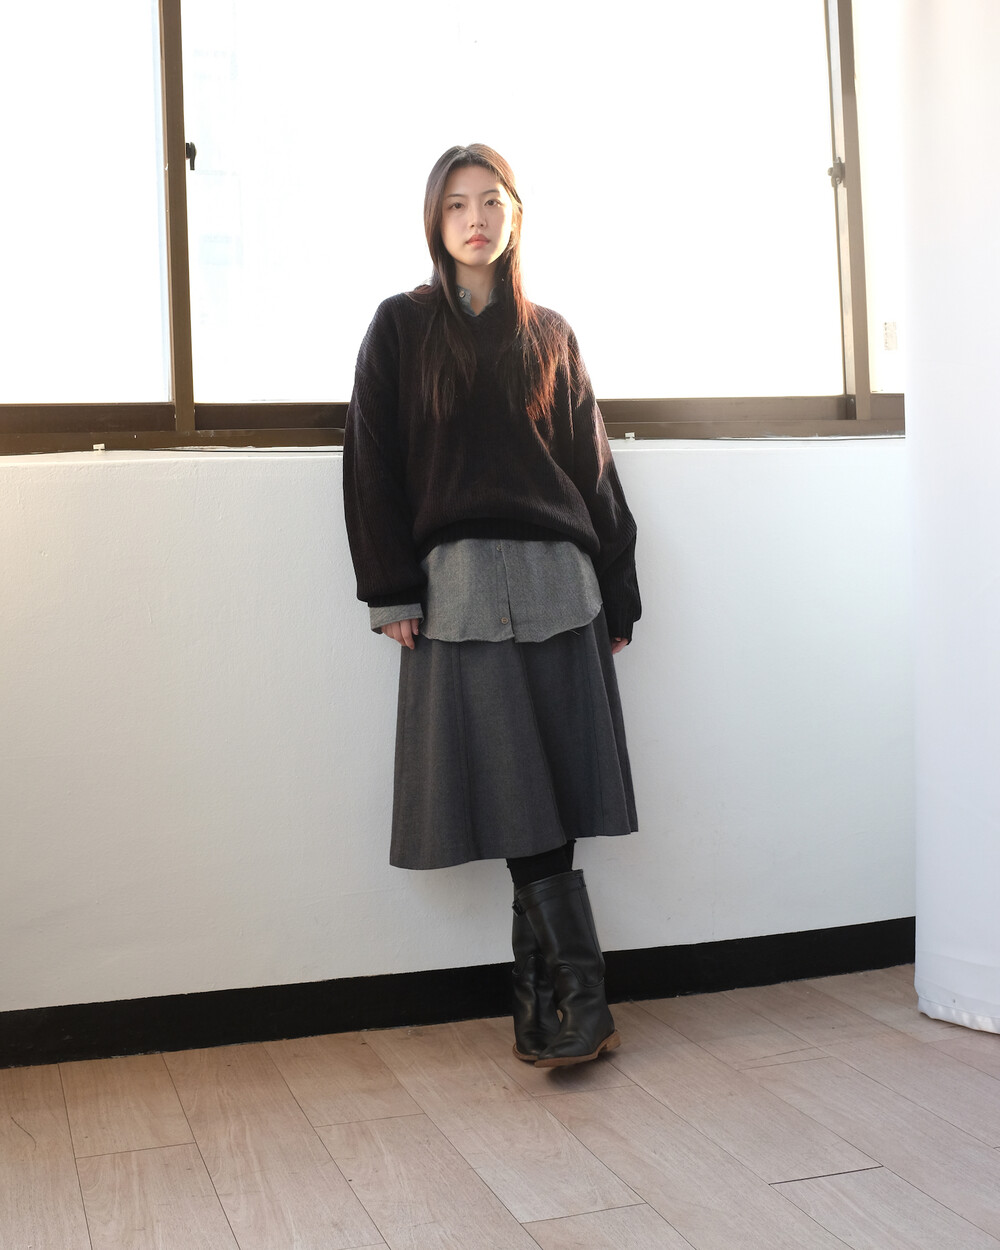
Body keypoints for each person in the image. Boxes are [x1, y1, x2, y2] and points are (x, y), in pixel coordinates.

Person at [343, 144, 640, 1067]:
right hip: (461, 588)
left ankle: (541, 1005)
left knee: (549, 788)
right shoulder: (400, 326)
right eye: (456, 204)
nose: (475, 219)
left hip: (561, 583)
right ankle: (581, 999)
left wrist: (620, 595)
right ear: (436, 222)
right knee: (519, 787)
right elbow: (370, 463)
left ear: (515, 215)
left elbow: (592, 468)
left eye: (490, 202)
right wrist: (390, 587)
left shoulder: (550, 333)